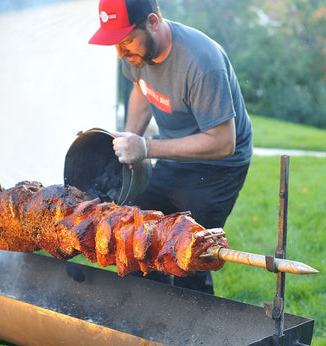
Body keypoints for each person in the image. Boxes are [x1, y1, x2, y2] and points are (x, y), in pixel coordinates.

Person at [88, 0, 253, 294]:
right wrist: (129, 139)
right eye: (115, 43)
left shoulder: (201, 63)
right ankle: (154, 324)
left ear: (152, 22)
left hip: (218, 166)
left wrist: (147, 148)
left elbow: (222, 142)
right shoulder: (137, 52)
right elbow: (142, 89)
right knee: (139, 240)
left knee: (188, 256)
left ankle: (196, 332)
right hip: (174, 153)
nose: (120, 52)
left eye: (125, 41)